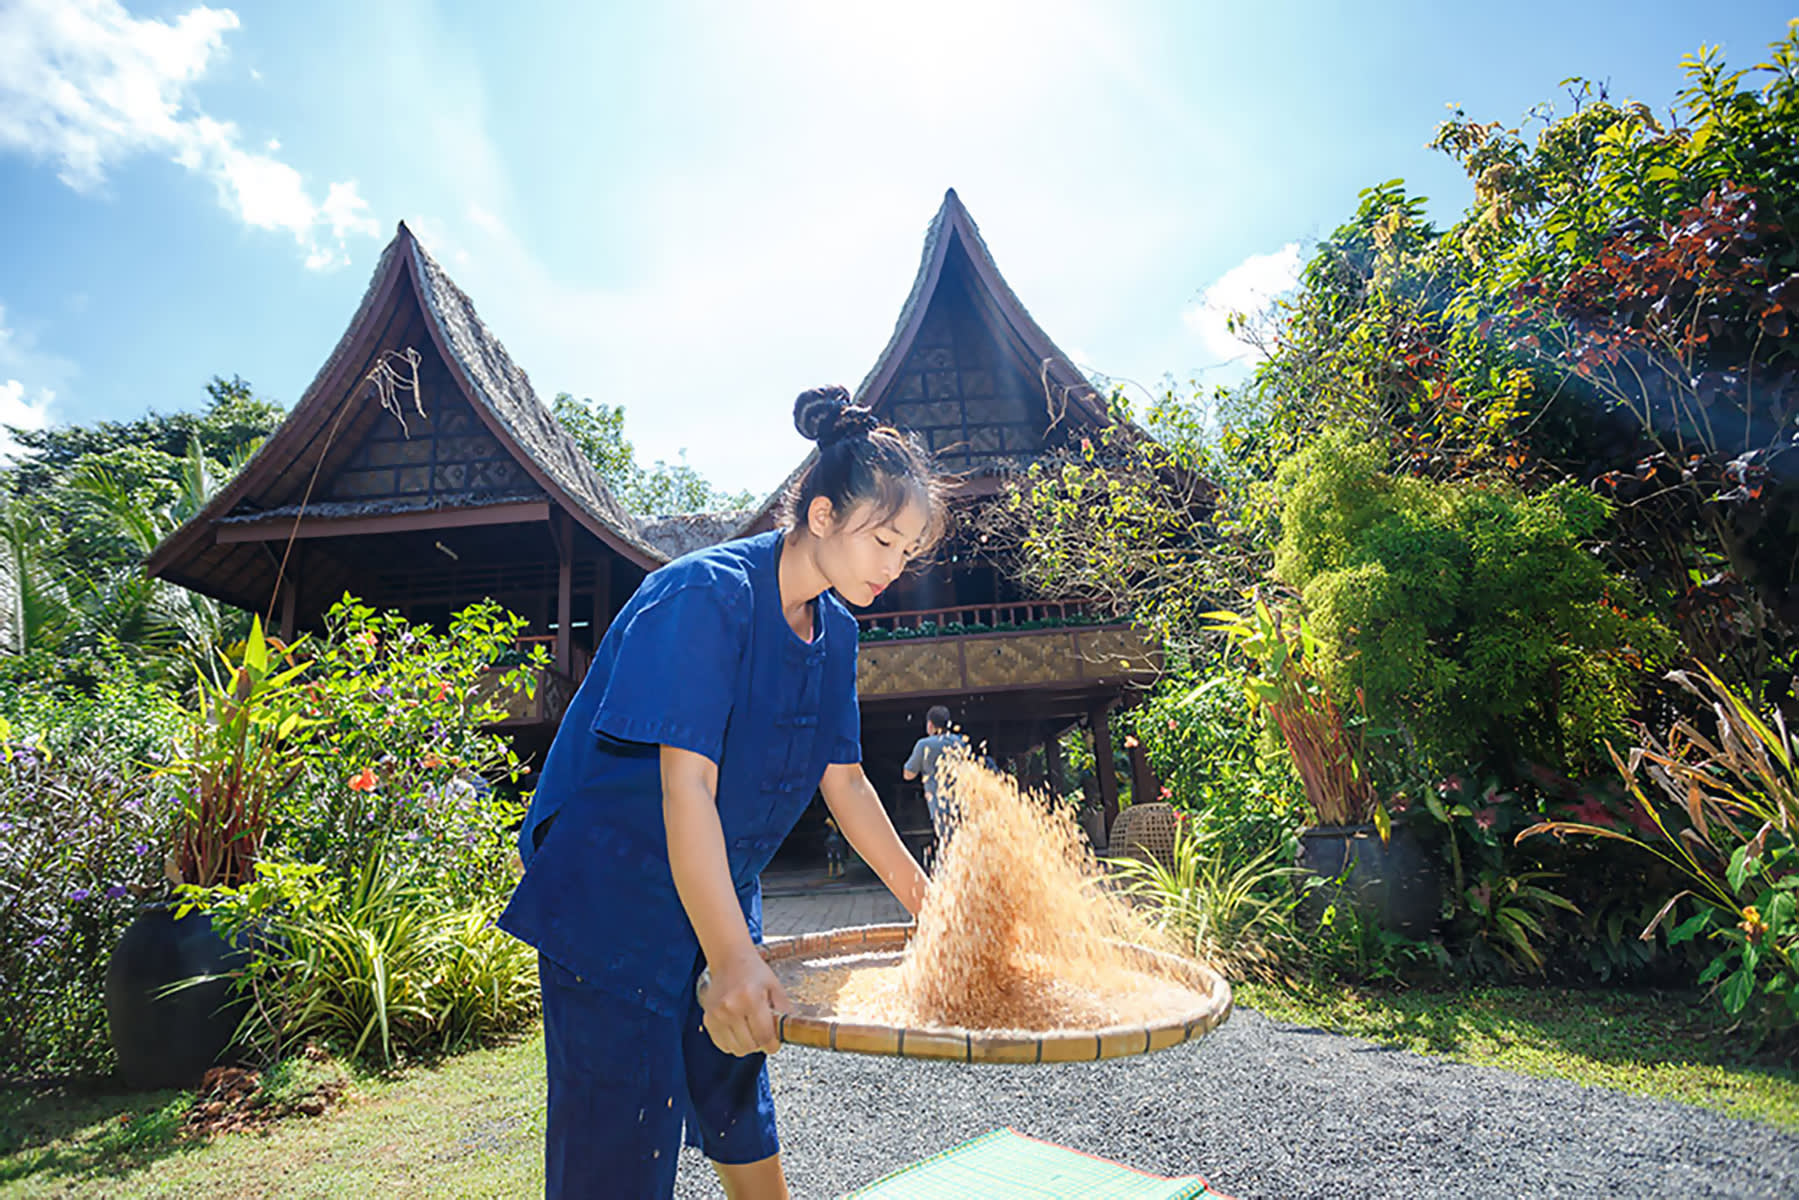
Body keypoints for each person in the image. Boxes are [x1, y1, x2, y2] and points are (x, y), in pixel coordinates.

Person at [498, 385, 945, 1200]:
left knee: (736, 1091)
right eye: (883, 540)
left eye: (907, 551)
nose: (893, 566)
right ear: (820, 516)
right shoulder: (703, 596)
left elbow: (845, 780)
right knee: (618, 1138)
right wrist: (732, 956)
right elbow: (687, 787)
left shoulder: (836, 631)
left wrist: (933, 908)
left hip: (717, 887)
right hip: (613, 898)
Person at [902, 705, 970, 843]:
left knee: (947, 845)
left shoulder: (924, 745)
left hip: (940, 809)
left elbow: (908, 774)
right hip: (962, 806)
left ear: (930, 724)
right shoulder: (959, 742)